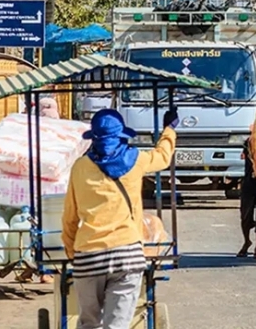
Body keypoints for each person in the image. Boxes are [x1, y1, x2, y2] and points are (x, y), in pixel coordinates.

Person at [62, 106, 179, 329]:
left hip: (88, 257)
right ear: (121, 136)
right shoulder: (136, 160)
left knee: (88, 324)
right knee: (117, 326)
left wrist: (71, 253)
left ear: (93, 138)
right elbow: (163, 157)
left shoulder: (79, 168)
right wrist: (169, 130)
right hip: (127, 255)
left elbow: (69, 217)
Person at [237, 137, 256, 259]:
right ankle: (247, 241)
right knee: (245, 218)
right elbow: (244, 155)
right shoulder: (248, 143)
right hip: (248, 185)